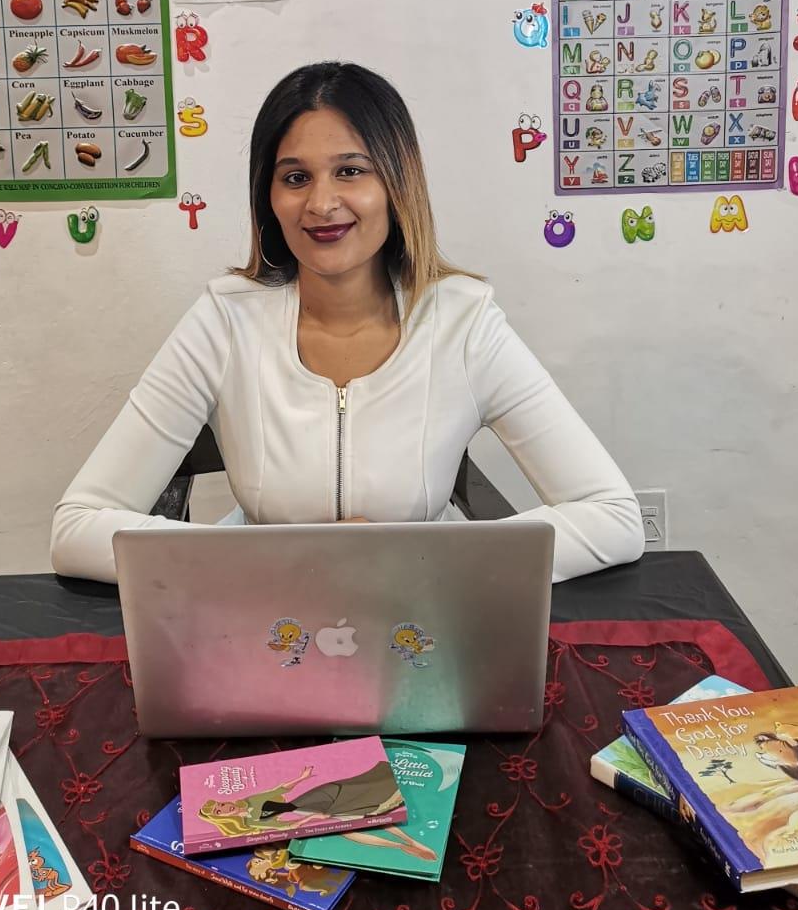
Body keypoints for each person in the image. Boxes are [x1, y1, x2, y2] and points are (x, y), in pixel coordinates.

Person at [50, 63, 644, 582]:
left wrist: (407, 559)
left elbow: (612, 516)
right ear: (268, 197)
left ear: (396, 182)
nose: (321, 203)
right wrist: (283, 560)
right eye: (295, 177)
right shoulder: (224, 320)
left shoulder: (464, 321)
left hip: (420, 618)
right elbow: (78, 527)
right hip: (260, 619)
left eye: (351, 171)